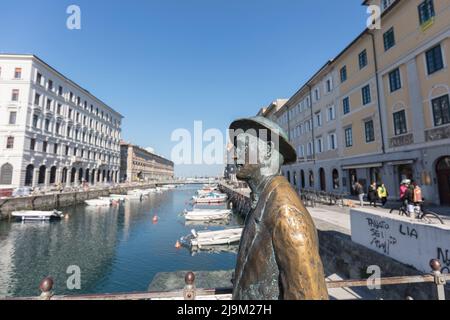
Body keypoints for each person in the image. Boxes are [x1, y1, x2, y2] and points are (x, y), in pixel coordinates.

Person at [230, 116, 328, 300]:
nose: (235, 155)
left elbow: (309, 294)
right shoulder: (263, 199)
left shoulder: (285, 211)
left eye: (243, 147)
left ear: (267, 151)